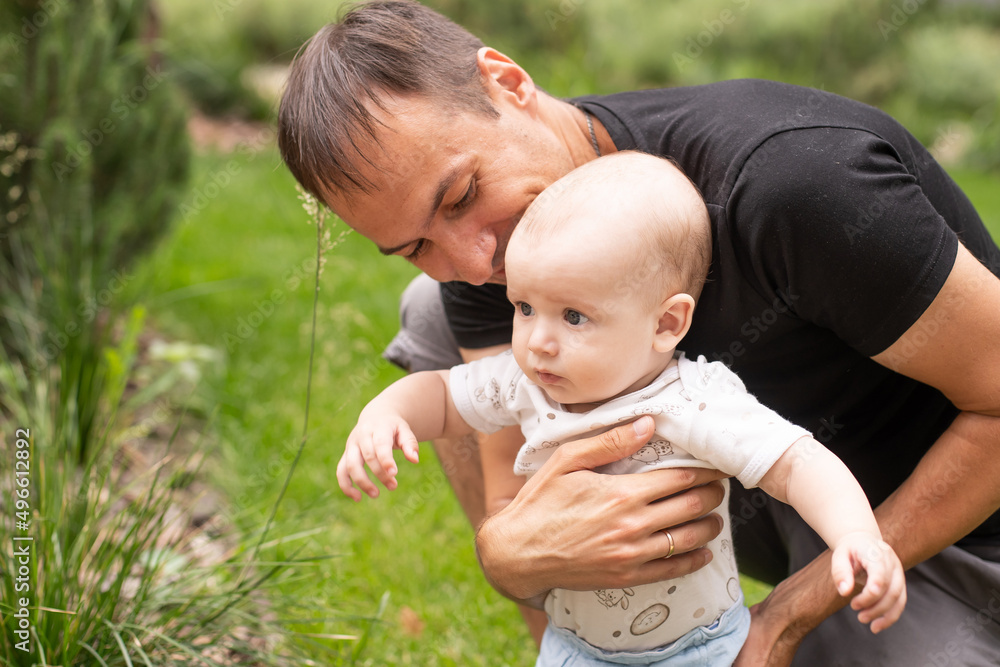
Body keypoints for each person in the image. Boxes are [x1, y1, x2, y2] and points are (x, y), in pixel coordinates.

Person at [277, 2, 1000, 664]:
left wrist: (784, 618)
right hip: (737, 489)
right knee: (430, 312)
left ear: (508, 83)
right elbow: (515, 509)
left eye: (463, 195)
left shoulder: (793, 183)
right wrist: (508, 556)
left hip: (941, 519)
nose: (474, 263)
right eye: (415, 245)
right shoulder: (499, 267)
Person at [336, 152, 907, 665]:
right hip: (574, 646)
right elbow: (441, 396)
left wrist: (857, 536)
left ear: (666, 324)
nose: (538, 341)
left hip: (700, 649)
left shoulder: (693, 399)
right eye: (525, 307)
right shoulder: (526, 383)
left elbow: (797, 463)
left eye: (574, 317)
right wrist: (386, 414)